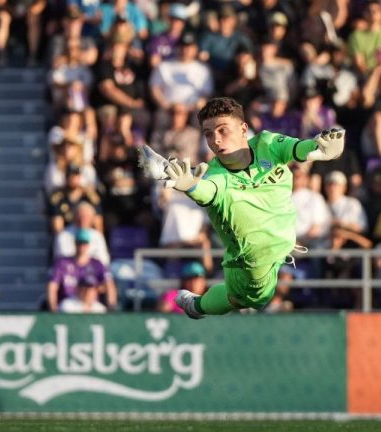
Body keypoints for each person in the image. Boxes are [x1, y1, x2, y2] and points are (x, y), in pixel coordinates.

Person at [140, 97, 345, 318]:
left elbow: (302, 149)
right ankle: (196, 306)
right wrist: (189, 185)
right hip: (250, 263)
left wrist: (322, 148)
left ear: (243, 129)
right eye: (208, 134)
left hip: (284, 247)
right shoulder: (215, 175)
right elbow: (205, 190)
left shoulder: (268, 144)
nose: (215, 140)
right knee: (252, 299)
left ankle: (197, 306)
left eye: (222, 130)